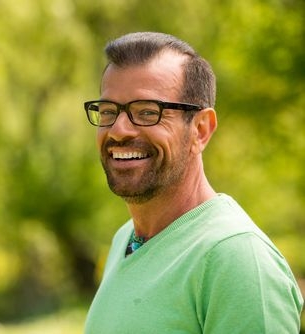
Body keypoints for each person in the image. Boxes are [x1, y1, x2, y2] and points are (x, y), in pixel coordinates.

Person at [83, 32, 303, 333]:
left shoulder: (235, 258)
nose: (119, 130)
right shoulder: (126, 239)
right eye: (109, 112)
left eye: (147, 112)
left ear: (201, 129)